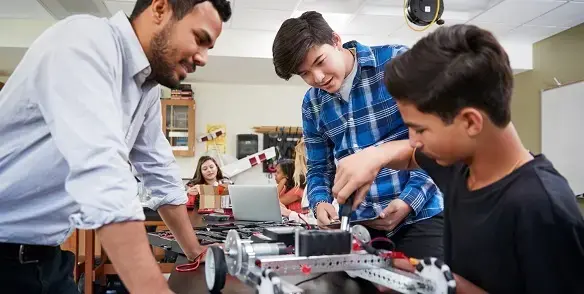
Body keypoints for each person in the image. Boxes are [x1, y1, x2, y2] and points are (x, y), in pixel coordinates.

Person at [332, 24, 584, 294]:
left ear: (470, 122)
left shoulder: (541, 205)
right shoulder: (458, 167)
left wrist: (450, 286)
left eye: (421, 129)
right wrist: (375, 156)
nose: (414, 140)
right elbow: (409, 156)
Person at [0, 0, 231, 293]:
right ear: (160, 9)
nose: (204, 58)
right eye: (200, 39)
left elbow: (158, 169)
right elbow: (102, 172)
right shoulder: (83, 41)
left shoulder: (145, 87)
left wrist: (194, 249)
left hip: (44, 257)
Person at [272, 11, 444, 259]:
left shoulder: (397, 62)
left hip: (420, 215)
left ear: (336, 40)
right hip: (358, 226)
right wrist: (320, 203)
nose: (317, 78)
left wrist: (409, 201)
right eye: (305, 74)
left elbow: (439, 144)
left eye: (320, 61)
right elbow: (318, 167)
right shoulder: (312, 104)